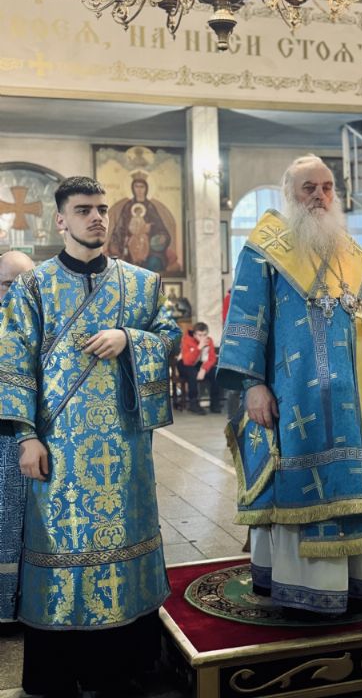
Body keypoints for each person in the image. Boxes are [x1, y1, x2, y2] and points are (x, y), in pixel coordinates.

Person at [0, 177, 181, 697]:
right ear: (61, 220)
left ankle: (121, 671)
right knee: (57, 549)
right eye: (83, 210)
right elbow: (13, 362)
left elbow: (169, 336)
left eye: (101, 209)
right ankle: (59, 675)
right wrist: (26, 436)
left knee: (125, 549)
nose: (97, 217)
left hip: (124, 451)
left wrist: (129, 338)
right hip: (57, 451)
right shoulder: (34, 287)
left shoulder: (142, 284)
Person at [217, 154, 362, 618]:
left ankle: (360, 580)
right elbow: (245, 319)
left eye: (327, 187)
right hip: (294, 397)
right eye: (309, 188)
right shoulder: (265, 248)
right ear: (289, 194)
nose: (320, 196)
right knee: (298, 484)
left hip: (353, 401)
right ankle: (301, 587)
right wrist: (253, 384)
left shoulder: (354, 253)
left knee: (354, 486)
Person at [0, 251, 34, 631]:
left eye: (24, 283)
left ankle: (30, 603)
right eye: (9, 283)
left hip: (34, 443)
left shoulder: (42, 323)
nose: (16, 292)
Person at [108, 173, 173, 272]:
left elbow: (160, 228)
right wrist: (119, 241)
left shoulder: (150, 207)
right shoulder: (128, 206)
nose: (139, 190)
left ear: (146, 188)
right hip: (128, 244)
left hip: (149, 246)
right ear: (132, 188)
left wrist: (153, 233)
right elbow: (120, 227)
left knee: (154, 263)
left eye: (142, 187)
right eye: (136, 186)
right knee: (124, 264)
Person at [177, 322, 218, 414]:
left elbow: (212, 359)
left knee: (215, 372)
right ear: (194, 334)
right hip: (184, 363)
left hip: (199, 364)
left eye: (205, 335)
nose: (202, 337)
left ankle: (215, 403)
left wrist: (203, 369)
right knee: (192, 373)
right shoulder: (186, 339)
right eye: (200, 335)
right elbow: (187, 361)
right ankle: (193, 403)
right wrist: (199, 347)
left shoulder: (209, 340)